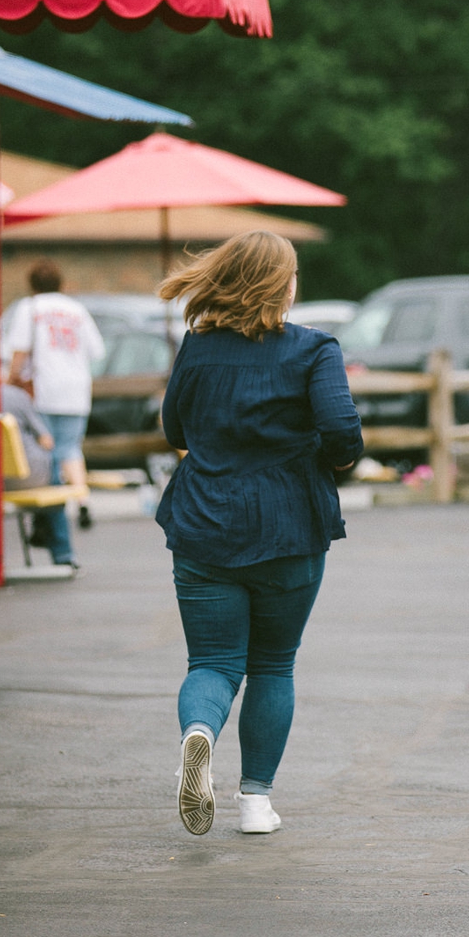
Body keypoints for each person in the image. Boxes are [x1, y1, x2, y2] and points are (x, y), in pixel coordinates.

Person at [156, 232, 364, 838]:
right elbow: (344, 434)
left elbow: (174, 424)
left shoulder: (197, 347)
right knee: (273, 664)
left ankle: (199, 735)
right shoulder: (314, 349)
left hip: (203, 522)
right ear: (284, 283)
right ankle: (254, 804)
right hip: (289, 523)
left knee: (214, 662)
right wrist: (316, 457)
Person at [3, 260, 106, 529]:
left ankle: (50, 519)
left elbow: (20, 350)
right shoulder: (77, 309)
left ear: (32, 285)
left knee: (46, 451)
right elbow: (97, 351)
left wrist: (13, 377)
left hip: (44, 389)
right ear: (60, 284)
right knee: (70, 448)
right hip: (76, 390)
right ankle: (82, 501)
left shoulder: (30, 307)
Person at [0, 381, 75, 568]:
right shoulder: (15, 395)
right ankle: (62, 554)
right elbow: (46, 440)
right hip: (30, 475)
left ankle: (41, 525)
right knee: (54, 463)